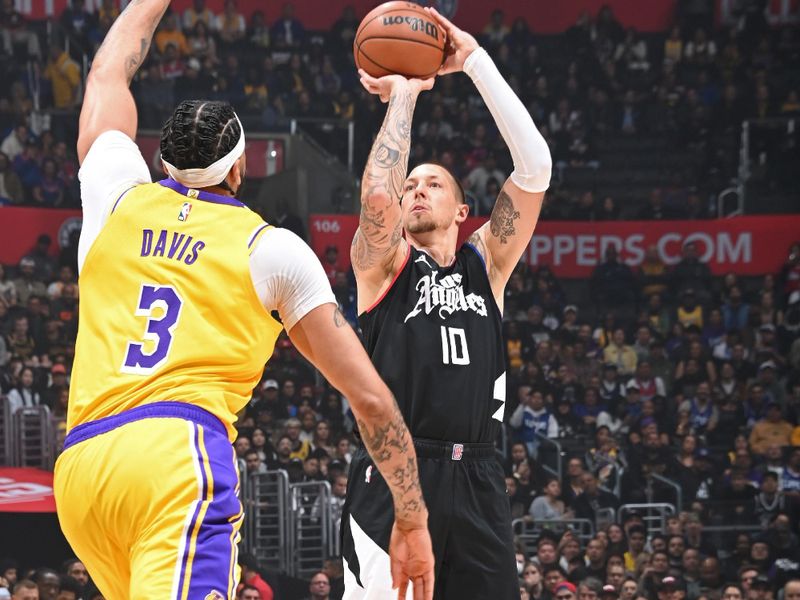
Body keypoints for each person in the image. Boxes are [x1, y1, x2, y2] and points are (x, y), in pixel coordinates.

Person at [51, 2, 434, 599]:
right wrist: (411, 517)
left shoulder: (115, 194)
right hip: (174, 459)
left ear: (163, 160)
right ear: (240, 169)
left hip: (80, 469)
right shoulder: (270, 249)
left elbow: (107, 74)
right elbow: (370, 398)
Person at [343, 7, 552, 599]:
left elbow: (535, 166)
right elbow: (379, 193)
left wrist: (476, 64)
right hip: (396, 476)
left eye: (432, 183)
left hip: (480, 476)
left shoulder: (485, 263)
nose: (415, 189)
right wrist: (403, 94)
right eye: (413, 183)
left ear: (464, 213)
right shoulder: (383, 264)